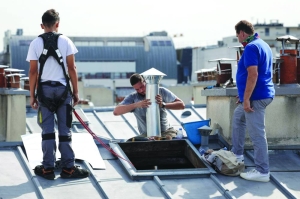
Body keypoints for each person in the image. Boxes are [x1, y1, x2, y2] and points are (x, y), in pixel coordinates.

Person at [27, 9, 89, 180]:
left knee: (47, 131)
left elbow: (33, 72)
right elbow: (72, 68)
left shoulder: (35, 44)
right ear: (58, 24)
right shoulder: (66, 41)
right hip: (63, 90)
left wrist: (32, 96)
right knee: (65, 130)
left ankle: (47, 169)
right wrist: (76, 92)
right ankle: (68, 168)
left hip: (44, 91)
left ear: (41, 25)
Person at [231, 20, 275, 182]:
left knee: (257, 134)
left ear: (242, 33)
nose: (238, 40)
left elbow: (253, 75)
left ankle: (263, 171)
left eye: (237, 36)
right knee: (238, 118)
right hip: (256, 94)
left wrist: (247, 98)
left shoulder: (250, 47)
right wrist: (243, 95)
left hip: (257, 98)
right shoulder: (262, 44)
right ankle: (237, 155)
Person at [113, 73, 185, 139]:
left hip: (166, 132)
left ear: (145, 81)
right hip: (146, 135)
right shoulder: (133, 97)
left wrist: (163, 104)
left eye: (142, 87)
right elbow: (116, 111)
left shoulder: (161, 91)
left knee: (167, 141)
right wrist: (136, 105)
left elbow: (181, 105)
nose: (141, 90)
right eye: (137, 89)